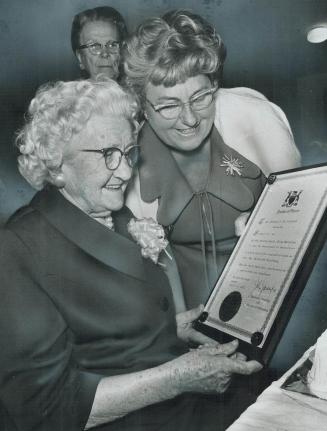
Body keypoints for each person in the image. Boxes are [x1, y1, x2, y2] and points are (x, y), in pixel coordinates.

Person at [0, 79, 261, 431]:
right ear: (57, 164)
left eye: (128, 152)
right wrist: (177, 378)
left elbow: (102, 334)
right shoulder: (19, 246)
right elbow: (46, 410)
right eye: (107, 154)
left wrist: (172, 327)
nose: (125, 172)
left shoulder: (110, 214)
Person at [123, 9, 302, 310]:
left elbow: (305, 213)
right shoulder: (129, 156)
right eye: (169, 106)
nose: (189, 119)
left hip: (278, 302)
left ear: (214, 85)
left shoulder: (256, 117)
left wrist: (270, 224)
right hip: (188, 317)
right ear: (142, 106)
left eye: (200, 97)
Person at [71, 6, 127, 80]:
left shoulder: (136, 90)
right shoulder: (67, 91)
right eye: (94, 46)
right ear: (80, 57)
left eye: (112, 45)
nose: (105, 53)